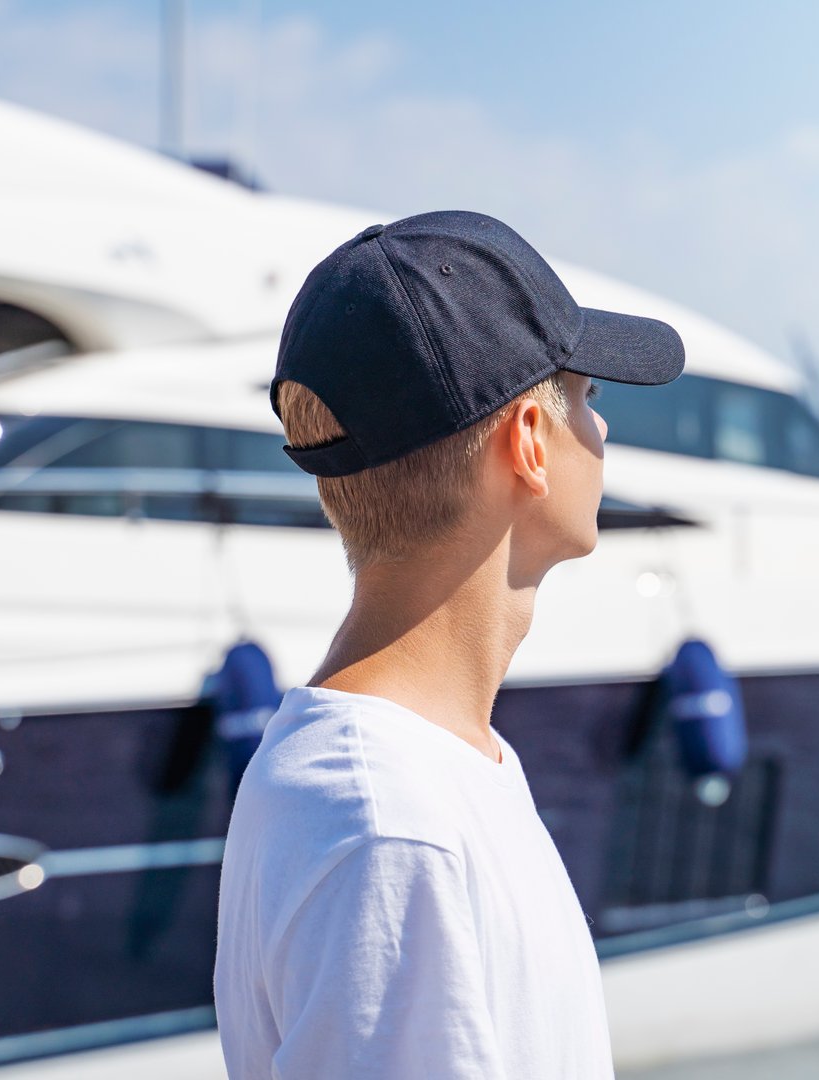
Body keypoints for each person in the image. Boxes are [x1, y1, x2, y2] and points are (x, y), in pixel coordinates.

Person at [213, 210, 684, 1078]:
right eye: (589, 395)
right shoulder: (390, 827)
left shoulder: (422, 772)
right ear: (529, 444)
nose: (603, 431)